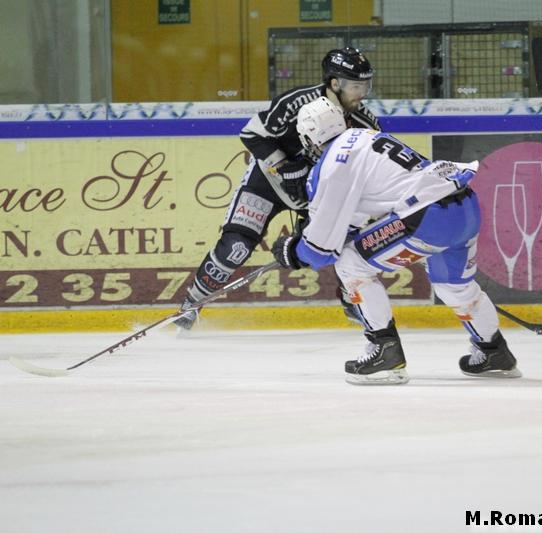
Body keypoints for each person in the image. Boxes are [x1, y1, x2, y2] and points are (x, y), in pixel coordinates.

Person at [270, 97, 522, 385]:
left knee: (351, 262)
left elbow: (321, 250)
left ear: (308, 138)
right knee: (454, 286)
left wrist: (293, 251)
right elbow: (357, 213)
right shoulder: (366, 136)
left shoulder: (331, 166)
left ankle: (384, 352)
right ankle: (494, 351)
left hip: (428, 218)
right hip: (464, 207)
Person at [174, 47, 380, 330]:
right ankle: (191, 304)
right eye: (356, 86)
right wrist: (284, 165)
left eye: (366, 86)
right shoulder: (296, 102)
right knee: (235, 247)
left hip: (314, 192)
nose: (362, 93)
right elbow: (251, 133)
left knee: (345, 246)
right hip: (268, 182)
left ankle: (352, 300)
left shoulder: (365, 123)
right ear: (335, 83)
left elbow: (368, 167)